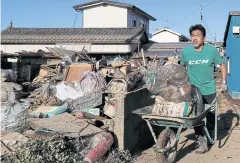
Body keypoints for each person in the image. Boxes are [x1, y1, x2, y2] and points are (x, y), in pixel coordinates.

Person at [180, 24, 227, 154]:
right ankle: (202, 142)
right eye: (192, 36)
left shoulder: (212, 51)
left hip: (209, 90)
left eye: (198, 36)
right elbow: (182, 69)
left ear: (204, 38)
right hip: (193, 91)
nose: (194, 38)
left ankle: (210, 132)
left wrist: (224, 81)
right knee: (196, 117)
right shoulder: (186, 52)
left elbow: (222, 65)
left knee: (211, 117)